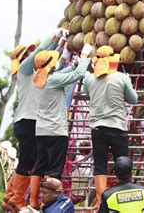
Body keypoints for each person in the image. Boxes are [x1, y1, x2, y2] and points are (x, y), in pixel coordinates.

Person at [3, 28, 65, 212]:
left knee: (29, 160)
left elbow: (48, 59)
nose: (31, 53)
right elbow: (40, 54)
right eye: (27, 53)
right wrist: (54, 36)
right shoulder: (24, 69)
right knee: (29, 161)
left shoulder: (36, 74)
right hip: (28, 121)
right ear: (23, 58)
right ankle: (17, 199)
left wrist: (60, 44)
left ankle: (10, 197)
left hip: (28, 122)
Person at [30, 43, 92, 209]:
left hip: (41, 130)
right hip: (56, 131)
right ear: (50, 66)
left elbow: (61, 73)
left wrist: (72, 64)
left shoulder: (36, 78)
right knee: (54, 170)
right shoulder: (53, 81)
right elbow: (78, 75)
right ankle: (50, 205)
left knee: (40, 166)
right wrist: (85, 56)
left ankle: (34, 201)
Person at [83, 46, 138, 207]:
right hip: (118, 127)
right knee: (122, 164)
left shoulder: (89, 79)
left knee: (100, 165)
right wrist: (127, 81)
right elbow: (133, 99)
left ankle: (101, 202)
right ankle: (123, 201)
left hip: (98, 128)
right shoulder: (121, 77)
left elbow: (88, 95)